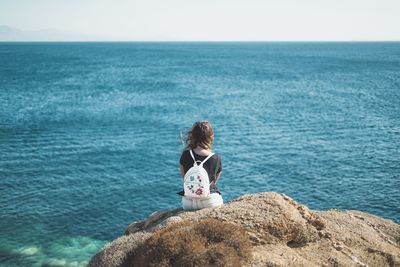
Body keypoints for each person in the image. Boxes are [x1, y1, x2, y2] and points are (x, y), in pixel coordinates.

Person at [179, 121, 223, 210]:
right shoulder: (216, 158)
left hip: (188, 203)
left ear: (192, 137)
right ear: (211, 137)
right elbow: (214, 182)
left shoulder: (186, 154)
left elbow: (185, 178)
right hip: (209, 201)